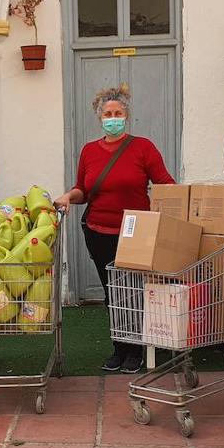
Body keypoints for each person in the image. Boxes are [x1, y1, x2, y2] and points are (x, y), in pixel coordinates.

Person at [54, 86, 176, 374]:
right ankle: (119, 347)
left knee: (133, 291)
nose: (113, 118)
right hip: (98, 231)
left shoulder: (143, 147)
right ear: (100, 118)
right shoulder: (89, 151)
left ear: (126, 116)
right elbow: (84, 189)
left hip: (135, 234)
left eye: (118, 113)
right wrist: (68, 197)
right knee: (112, 293)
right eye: (107, 114)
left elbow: (165, 183)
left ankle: (136, 350)